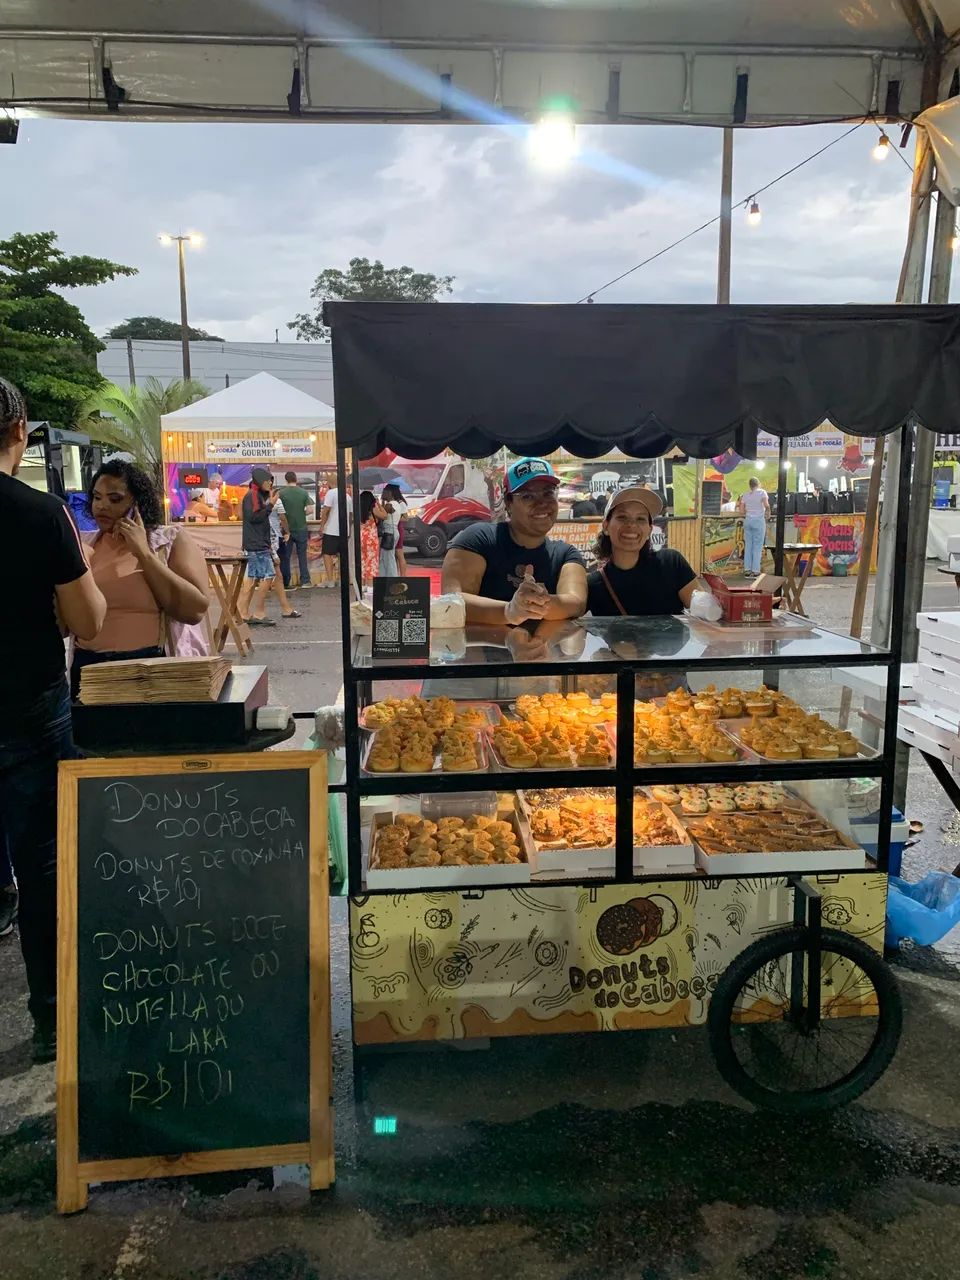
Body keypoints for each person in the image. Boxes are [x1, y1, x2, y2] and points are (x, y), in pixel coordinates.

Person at [0, 377, 106, 1062]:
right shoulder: (39, 515)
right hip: (26, 712)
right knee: (44, 870)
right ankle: (51, 1020)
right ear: (20, 430)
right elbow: (87, 620)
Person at [72, 460, 210, 696]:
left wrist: (144, 554)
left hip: (150, 667)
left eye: (114, 499)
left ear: (137, 503)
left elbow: (195, 610)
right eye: (96, 497)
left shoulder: (169, 540)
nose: (102, 506)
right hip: (89, 669)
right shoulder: (84, 543)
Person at [441, 457, 587, 625]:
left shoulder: (566, 555)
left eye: (548, 493)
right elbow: (451, 601)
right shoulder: (478, 539)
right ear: (508, 503)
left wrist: (537, 603)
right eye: (527, 496)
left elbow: (576, 603)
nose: (542, 503)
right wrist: (509, 611)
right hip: (481, 650)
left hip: (543, 650)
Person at [586, 487, 700, 616]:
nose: (632, 525)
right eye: (622, 517)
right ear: (606, 527)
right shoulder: (594, 584)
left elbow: (705, 611)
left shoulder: (671, 563)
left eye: (640, 519)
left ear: (649, 530)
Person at [239, 466, 282, 626]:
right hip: (256, 543)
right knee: (268, 575)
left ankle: (243, 611)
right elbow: (255, 518)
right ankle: (258, 612)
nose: (269, 484)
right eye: (266, 481)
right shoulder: (253, 496)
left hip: (256, 542)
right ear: (259, 481)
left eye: (270, 481)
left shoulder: (255, 495)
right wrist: (270, 505)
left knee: (252, 578)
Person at [266, 482, 301, 620]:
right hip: (270, 539)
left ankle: (285, 608)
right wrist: (287, 531)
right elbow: (283, 518)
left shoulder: (257, 501)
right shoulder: (272, 502)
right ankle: (244, 610)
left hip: (267, 539)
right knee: (271, 573)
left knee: (274, 574)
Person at [277, 470, 315, 590]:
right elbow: (310, 510)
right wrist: (300, 512)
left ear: (286, 480)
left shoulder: (281, 493)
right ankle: (305, 581)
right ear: (296, 479)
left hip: (286, 529)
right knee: (302, 555)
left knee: (285, 556)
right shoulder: (303, 492)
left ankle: (286, 582)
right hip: (301, 527)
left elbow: (276, 509)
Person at [317, 482, 353, 588]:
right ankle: (343, 580)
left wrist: (322, 525)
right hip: (344, 531)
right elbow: (350, 515)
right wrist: (348, 529)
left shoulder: (331, 493)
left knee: (327, 554)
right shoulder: (347, 496)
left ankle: (330, 580)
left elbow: (326, 510)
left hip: (331, 529)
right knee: (341, 555)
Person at [737, 475, 770, 575]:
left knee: (748, 546)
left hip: (748, 521)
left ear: (750, 485)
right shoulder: (762, 492)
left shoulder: (745, 495)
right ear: (758, 484)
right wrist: (768, 512)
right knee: (757, 546)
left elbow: (741, 511)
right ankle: (755, 571)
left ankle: (747, 569)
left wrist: (749, 510)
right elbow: (766, 505)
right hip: (758, 521)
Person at [359, 489, 387, 585]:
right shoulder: (373, 509)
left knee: (362, 560)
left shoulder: (358, 509)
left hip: (361, 537)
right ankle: (370, 586)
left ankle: (362, 585)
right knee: (371, 561)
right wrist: (379, 504)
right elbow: (384, 515)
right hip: (371, 538)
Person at [382, 482, 409, 575]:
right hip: (395, 527)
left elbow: (406, 517)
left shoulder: (400, 503)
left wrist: (396, 518)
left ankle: (403, 575)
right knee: (394, 554)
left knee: (399, 553)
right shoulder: (391, 503)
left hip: (397, 527)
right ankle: (396, 573)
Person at [377, 484, 401, 577]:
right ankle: (384, 576)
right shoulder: (397, 504)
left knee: (388, 557)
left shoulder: (391, 504)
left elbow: (383, 514)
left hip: (389, 532)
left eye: (385, 491)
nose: (383, 493)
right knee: (385, 557)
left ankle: (392, 577)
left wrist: (379, 504)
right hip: (392, 531)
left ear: (390, 493)